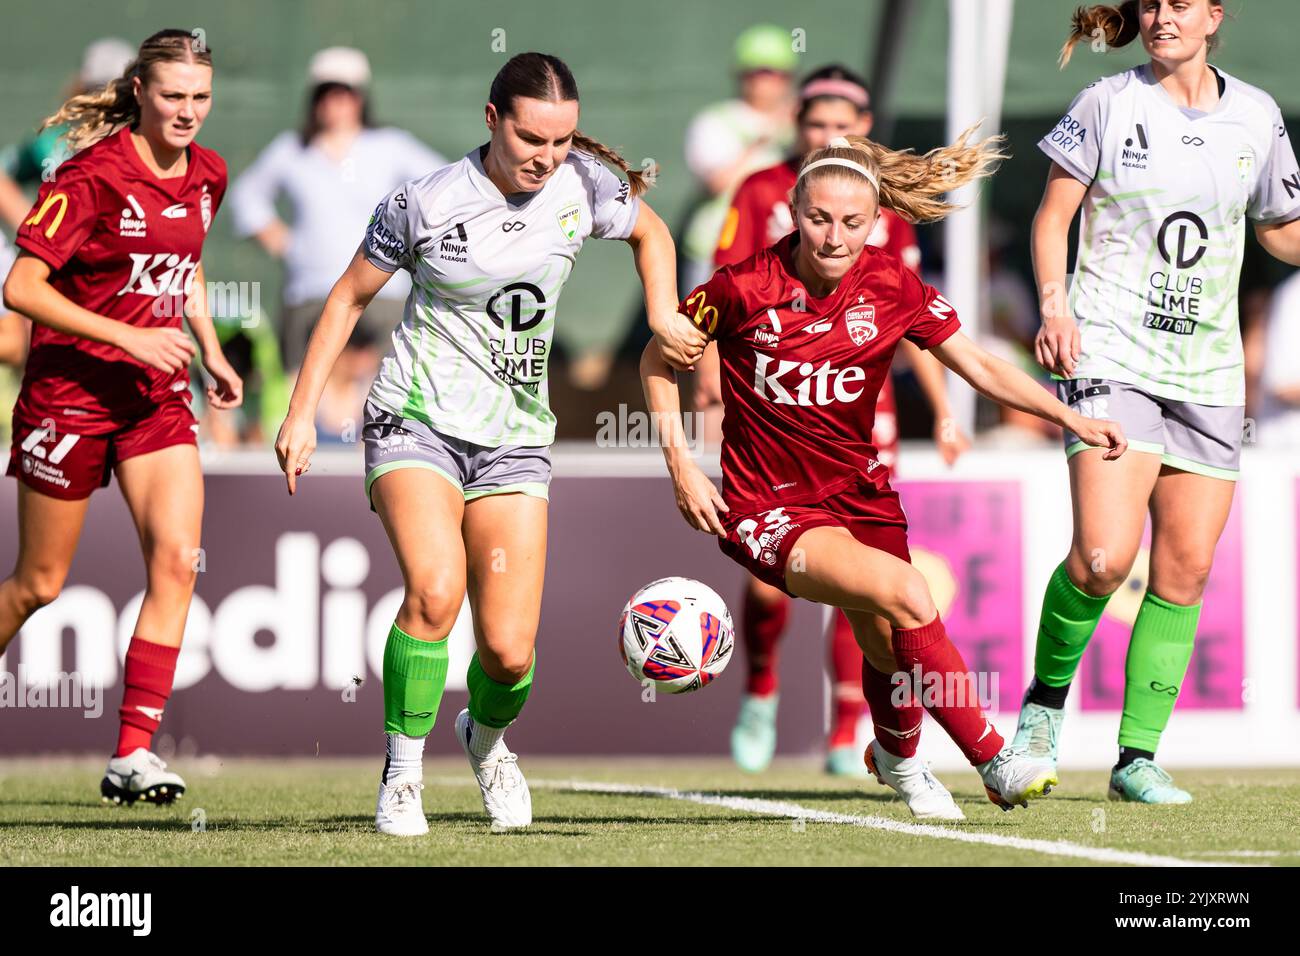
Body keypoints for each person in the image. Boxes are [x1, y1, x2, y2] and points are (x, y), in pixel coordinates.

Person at [275, 52, 705, 836]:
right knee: (436, 592)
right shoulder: (424, 202)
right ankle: (402, 777)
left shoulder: (582, 185)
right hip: (415, 419)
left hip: (513, 440)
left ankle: (486, 739)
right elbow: (344, 300)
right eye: (532, 138)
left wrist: (665, 310)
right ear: (491, 120)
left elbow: (652, 233)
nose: (548, 157)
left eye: (563, 139)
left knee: (508, 653)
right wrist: (301, 413)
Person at [641, 132, 1128, 820]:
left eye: (851, 222)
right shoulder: (742, 287)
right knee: (906, 589)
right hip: (767, 508)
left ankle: (897, 759)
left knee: (886, 641)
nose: (833, 236)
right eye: (818, 218)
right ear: (792, 210)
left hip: (859, 495)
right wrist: (681, 466)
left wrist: (1068, 417)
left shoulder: (892, 284)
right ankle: (994, 757)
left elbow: (980, 366)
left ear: (875, 223)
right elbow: (658, 359)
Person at [1014, 0, 1300, 803]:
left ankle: (1136, 757)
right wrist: (1054, 306)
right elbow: (1052, 216)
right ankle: (1041, 711)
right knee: (1104, 557)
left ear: (1216, 15)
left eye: (1179, 4)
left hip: (1207, 371)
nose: (1160, 17)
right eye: (1150, 4)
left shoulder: (1257, 116)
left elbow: (1281, 229)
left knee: (1186, 568)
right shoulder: (1108, 101)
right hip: (1111, 350)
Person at [700, 64, 970, 776]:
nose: (827, 135)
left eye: (840, 125)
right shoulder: (763, 191)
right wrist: (709, 393)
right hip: (775, 415)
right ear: (798, 127)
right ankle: (760, 689)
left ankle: (848, 730)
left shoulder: (882, 216)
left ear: (864, 130)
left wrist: (943, 411)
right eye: (816, 124)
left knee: (870, 594)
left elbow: (913, 323)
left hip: (862, 420)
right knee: (771, 585)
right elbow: (719, 307)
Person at [0, 30, 242, 804]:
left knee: (177, 562)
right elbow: (23, 289)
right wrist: (130, 334)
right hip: (69, 394)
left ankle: (133, 752)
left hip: (153, 401)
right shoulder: (92, 176)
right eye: (173, 96)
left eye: (201, 97)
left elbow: (186, 263)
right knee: (38, 584)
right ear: (139, 91)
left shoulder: (209, 173)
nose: (188, 112)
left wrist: (208, 347)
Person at [229, 47, 446, 441]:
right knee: (304, 395)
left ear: (360, 97)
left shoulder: (390, 146)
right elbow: (246, 197)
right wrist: (280, 241)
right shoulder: (291, 150)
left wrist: (415, 250)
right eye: (326, 92)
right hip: (309, 296)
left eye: (344, 91)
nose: (335, 101)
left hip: (381, 295)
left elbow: (445, 187)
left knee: (384, 401)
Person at [679, 23, 796, 296]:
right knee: (705, 333)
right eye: (759, 72)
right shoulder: (714, 121)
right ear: (742, 75)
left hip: (779, 253)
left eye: (778, 74)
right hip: (717, 249)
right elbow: (717, 182)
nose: (768, 82)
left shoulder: (801, 128)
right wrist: (766, 135)